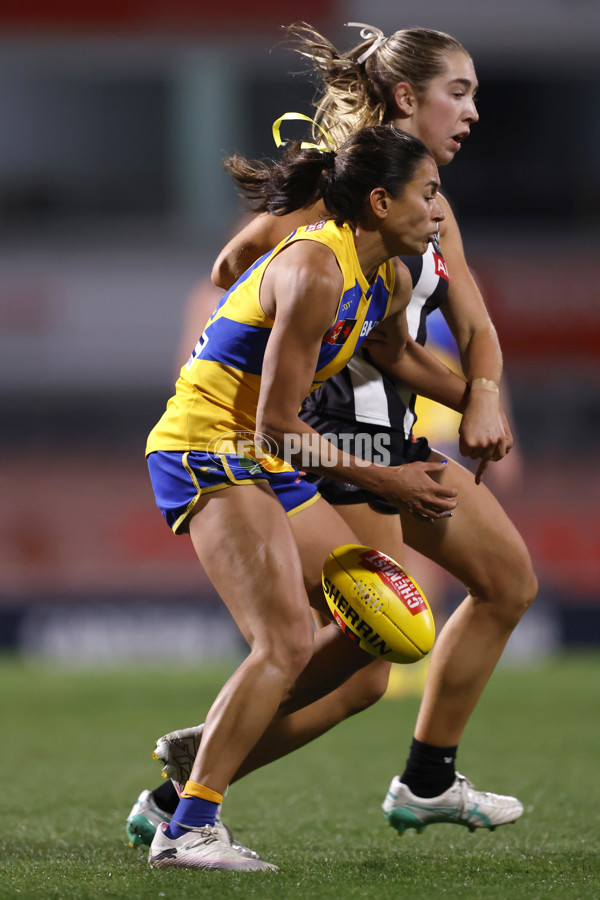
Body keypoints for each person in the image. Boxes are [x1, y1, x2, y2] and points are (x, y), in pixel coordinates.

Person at [128, 22, 534, 851]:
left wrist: (482, 395)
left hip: (357, 439)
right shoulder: (337, 219)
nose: (472, 112)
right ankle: (189, 797)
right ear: (403, 98)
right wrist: (296, 321)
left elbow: (419, 339)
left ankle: (219, 779)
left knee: (483, 598)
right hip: (317, 439)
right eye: (459, 92)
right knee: (346, 652)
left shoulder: (423, 207)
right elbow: (234, 270)